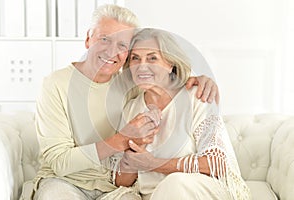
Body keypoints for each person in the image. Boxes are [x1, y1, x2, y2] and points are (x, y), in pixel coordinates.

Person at [26, 4, 220, 200]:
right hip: (64, 182)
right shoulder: (55, 84)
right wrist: (122, 139)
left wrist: (195, 80)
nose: (112, 51)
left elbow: (161, 77)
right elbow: (60, 163)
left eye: (122, 45)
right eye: (104, 39)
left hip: (115, 187)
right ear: (88, 39)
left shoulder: (128, 82)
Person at [115, 28, 251, 200]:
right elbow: (121, 181)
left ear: (170, 64)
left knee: (174, 184)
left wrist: (154, 164)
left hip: (198, 190)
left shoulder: (198, 96)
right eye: (135, 58)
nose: (142, 66)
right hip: (152, 195)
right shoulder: (131, 108)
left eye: (152, 58)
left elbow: (216, 163)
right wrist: (138, 146)